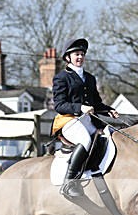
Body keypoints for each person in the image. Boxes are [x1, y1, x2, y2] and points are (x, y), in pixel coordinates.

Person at [51, 38, 119, 199]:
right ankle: (70, 182)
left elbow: (95, 102)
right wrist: (80, 107)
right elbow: (59, 105)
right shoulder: (61, 77)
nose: (80, 57)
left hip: (87, 120)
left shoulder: (89, 78)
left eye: (82, 54)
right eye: (76, 54)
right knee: (85, 141)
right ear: (68, 57)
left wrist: (109, 110)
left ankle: (95, 174)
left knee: (105, 137)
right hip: (68, 121)